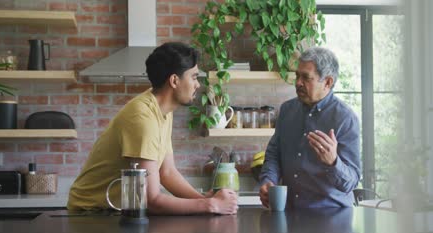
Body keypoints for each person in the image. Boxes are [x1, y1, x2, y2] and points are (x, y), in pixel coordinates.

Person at [68, 42, 238, 215]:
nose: (198, 85)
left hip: (112, 211)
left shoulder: (163, 111)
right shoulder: (143, 117)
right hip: (90, 213)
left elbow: (167, 172)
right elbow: (152, 200)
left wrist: (204, 200)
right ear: (174, 81)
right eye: (194, 77)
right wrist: (211, 205)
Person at [259, 47, 360, 208]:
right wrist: (268, 180)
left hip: (333, 220)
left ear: (327, 82)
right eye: (297, 76)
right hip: (290, 215)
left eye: (306, 77)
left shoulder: (345, 119)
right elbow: (273, 155)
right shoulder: (287, 110)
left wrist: (333, 162)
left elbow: (351, 182)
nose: (298, 83)